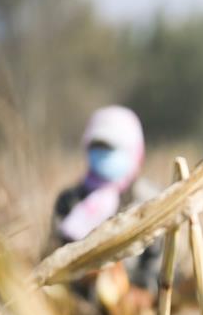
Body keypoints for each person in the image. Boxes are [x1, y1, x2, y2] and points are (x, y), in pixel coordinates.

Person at [50, 105, 160, 293]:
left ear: (134, 150)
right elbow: (55, 256)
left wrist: (137, 292)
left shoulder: (150, 200)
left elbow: (157, 265)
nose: (103, 154)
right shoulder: (70, 200)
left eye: (111, 148)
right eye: (97, 146)